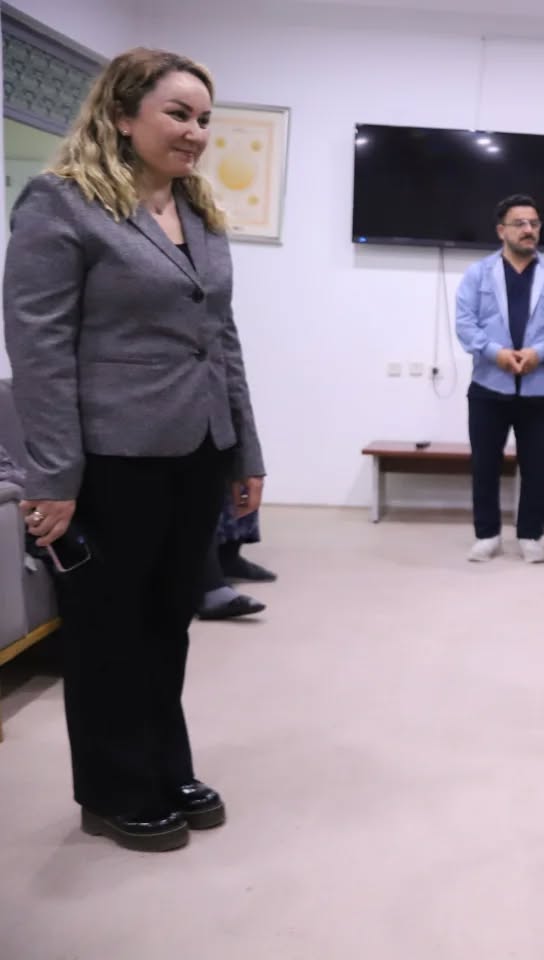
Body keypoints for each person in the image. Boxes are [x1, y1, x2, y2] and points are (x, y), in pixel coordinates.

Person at [3, 48, 265, 852]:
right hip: (109, 457)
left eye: (204, 119)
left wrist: (245, 452)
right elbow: (39, 352)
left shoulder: (198, 210)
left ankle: (164, 764)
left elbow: (221, 339)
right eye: (177, 114)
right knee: (107, 628)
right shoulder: (61, 203)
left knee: (166, 622)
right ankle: (114, 789)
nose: (195, 133)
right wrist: (52, 477)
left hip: (197, 448)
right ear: (121, 115)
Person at [455, 193, 544, 564]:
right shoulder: (478, 274)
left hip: (539, 389)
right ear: (501, 230)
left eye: (534, 223)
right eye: (520, 223)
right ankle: (487, 534)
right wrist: (497, 353)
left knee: (536, 466)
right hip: (488, 387)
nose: (529, 229)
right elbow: (465, 324)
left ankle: (530, 535)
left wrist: (540, 353)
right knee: (485, 465)